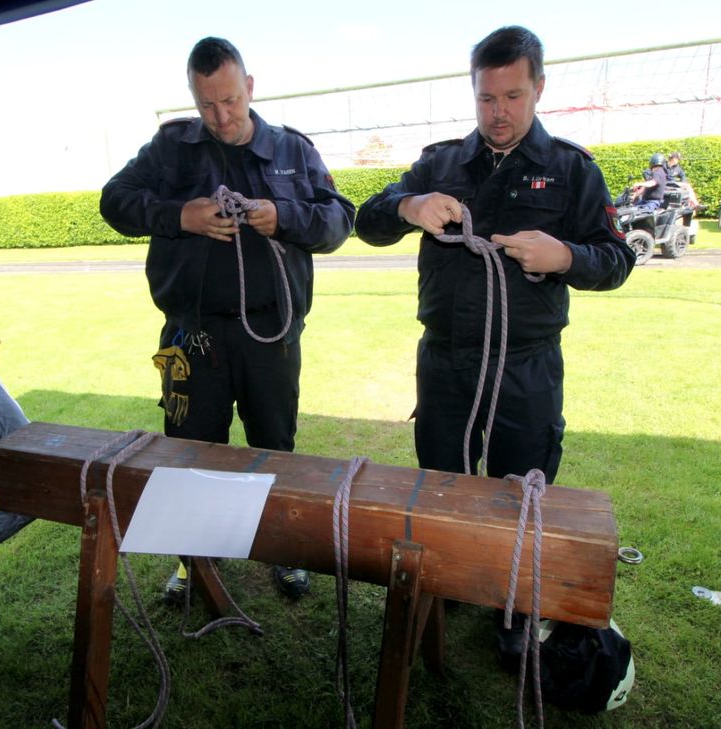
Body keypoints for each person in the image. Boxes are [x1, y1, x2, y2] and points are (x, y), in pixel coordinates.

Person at [100, 37, 355, 603]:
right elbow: (114, 201)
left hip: (272, 332)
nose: (221, 116)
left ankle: (283, 549)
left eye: (232, 101)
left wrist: (282, 216)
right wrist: (178, 215)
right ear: (193, 98)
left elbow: (340, 221)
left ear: (251, 88)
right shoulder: (171, 149)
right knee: (190, 449)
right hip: (192, 332)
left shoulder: (291, 149)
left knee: (274, 443)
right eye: (208, 104)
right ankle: (196, 561)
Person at [354, 25, 635, 484]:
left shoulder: (571, 169)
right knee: (442, 491)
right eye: (487, 99)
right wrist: (410, 206)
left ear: (538, 88)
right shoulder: (439, 164)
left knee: (520, 497)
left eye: (513, 96)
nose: (499, 113)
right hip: (445, 365)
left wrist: (563, 257)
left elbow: (617, 260)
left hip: (525, 367)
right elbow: (367, 222)